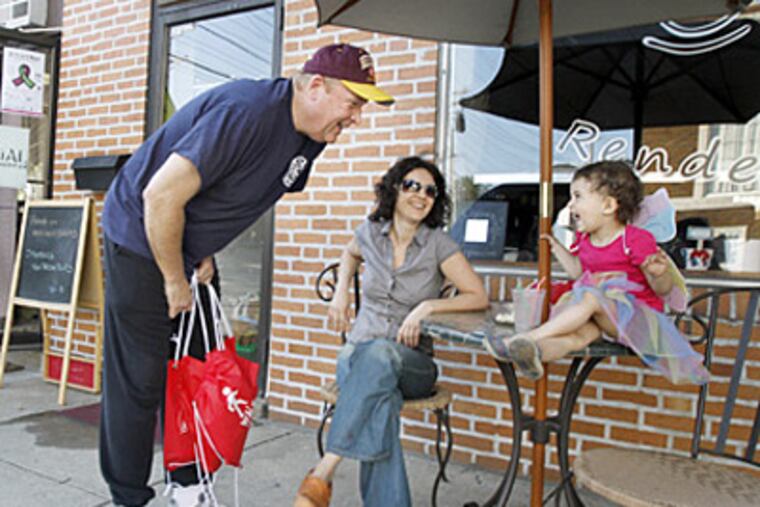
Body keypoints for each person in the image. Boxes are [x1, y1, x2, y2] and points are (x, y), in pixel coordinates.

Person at [99, 43, 395, 507]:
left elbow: (237, 193)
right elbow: (159, 195)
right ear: (316, 86)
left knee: (201, 368)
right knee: (138, 378)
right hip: (139, 237)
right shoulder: (246, 112)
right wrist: (174, 278)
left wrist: (202, 247)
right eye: (353, 103)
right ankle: (128, 497)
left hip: (185, 245)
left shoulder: (312, 136)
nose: (356, 117)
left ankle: (189, 484)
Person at [294, 157, 489, 507]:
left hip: (411, 363)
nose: (421, 195)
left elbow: (478, 295)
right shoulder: (370, 233)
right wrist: (340, 291)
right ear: (394, 189)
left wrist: (427, 307)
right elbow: (349, 254)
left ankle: (323, 473)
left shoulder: (437, 244)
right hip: (359, 358)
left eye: (430, 191)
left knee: (381, 354)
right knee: (379, 402)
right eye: (412, 185)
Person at [485, 161, 710, 386]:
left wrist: (659, 274)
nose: (570, 206)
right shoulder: (585, 240)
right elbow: (578, 273)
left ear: (608, 205)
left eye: (577, 196)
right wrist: (557, 248)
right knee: (576, 338)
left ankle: (528, 338)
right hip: (603, 318)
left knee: (591, 297)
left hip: (638, 322)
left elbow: (662, 289)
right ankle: (532, 352)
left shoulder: (634, 239)